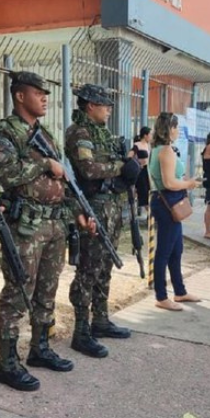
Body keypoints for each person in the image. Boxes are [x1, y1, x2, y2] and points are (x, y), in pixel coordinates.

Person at [0, 72, 95, 392]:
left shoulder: (45, 134)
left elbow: (64, 182)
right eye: (38, 93)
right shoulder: (4, 133)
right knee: (18, 293)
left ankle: (40, 349)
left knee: (47, 291)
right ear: (20, 96)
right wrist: (45, 164)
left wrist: (78, 212)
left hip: (53, 223)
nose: (45, 98)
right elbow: (8, 175)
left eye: (46, 93)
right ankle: (7, 363)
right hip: (25, 226)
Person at [65, 83, 141, 358]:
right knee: (88, 269)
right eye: (104, 104)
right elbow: (87, 169)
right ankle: (81, 331)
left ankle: (100, 318)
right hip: (93, 206)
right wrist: (121, 167)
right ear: (90, 106)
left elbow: (109, 164)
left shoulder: (102, 132)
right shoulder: (80, 133)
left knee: (105, 265)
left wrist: (127, 163)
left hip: (110, 205)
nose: (109, 109)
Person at [149, 112, 201, 310]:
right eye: (176, 127)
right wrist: (189, 183)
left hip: (165, 201)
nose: (178, 130)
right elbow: (170, 182)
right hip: (167, 202)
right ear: (169, 129)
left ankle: (180, 291)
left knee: (176, 249)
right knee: (164, 251)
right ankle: (161, 296)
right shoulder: (165, 151)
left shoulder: (162, 149)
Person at [132, 126, 152, 217]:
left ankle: (150, 215)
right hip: (140, 171)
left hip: (148, 171)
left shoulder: (148, 145)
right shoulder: (137, 145)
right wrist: (138, 163)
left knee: (148, 192)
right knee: (143, 192)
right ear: (145, 135)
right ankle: (150, 214)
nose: (151, 136)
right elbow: (130, 156)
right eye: (150, 134)